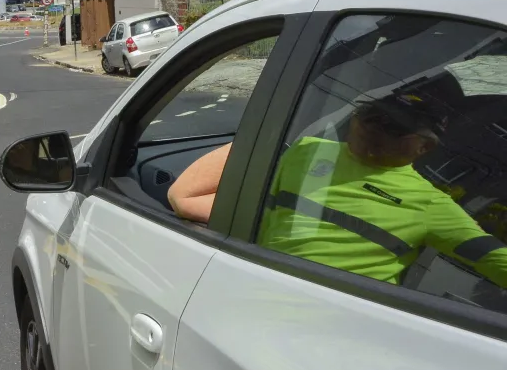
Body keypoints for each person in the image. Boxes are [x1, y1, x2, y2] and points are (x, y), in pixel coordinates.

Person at [169, 93, 507, 287]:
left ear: (424, 148)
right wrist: (264, 132)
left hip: (342, 334)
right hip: (258, 300)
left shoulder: (430, 204)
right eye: (372, 114)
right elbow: (186, 197)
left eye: (396, 127)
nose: (377, 127)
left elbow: (498, 263)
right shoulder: (306, 151)